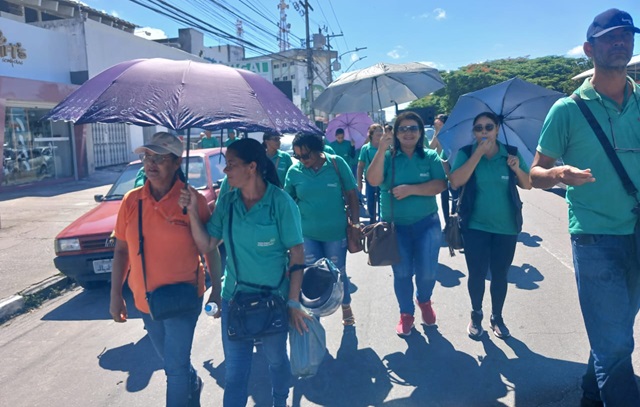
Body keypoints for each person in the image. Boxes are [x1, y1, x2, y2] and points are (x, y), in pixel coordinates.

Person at [530, 9, 640, 406]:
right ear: (589, 49)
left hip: (638, 233)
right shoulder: (568, 110)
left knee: (617, 330)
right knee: (613, 343)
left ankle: (591, 395)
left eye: (627, 35)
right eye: (611, 37)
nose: (621, 42)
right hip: (596, 238)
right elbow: (534, 174)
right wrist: (559, 172)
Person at [179, 138, 308, 407]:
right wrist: (192, 211)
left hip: (273, 300)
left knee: (276, 361)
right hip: (234, 300)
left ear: (252, 167)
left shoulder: (281, 203)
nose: (225, 171)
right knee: (235, 374)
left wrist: (294, 302)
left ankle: (279, 401)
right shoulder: (227, 203)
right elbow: (208, 244)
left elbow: (297, 255)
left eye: (231, 165)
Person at [109, 132, 216, 407]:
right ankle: (192, 381)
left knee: (174, 369)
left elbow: (210, 247)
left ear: (176, 161)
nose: (150, 163)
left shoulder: (192, 200)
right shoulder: (132, 201)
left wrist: (218, 290)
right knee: (172, 362)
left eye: (159, 158)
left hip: (184, 296)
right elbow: (121, 250)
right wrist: (115, 295)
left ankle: (185, 384)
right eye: (147, 157)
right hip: (146, 302)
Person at [448, 112, 531, 340]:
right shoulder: (466, 153)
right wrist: (478, 154)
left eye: (488, 127)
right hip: (475, 226)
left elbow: (528, 184)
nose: (483, 132)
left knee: (500, 274)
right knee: (476, 273)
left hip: (506, 227)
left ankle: (497, 316)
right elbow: (455, 181)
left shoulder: (511, 153)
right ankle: (476, 314)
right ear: (474, 132)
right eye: (478, 128)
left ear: (497, 129)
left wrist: (517, 169)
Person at [367, 111, 447, 336]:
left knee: (428, 273)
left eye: (413, 128)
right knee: (402, 273)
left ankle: (424, 301)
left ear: (421, 132)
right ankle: (406, 314)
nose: (408, 133)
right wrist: (382, 149)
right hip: (395, 228)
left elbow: (440, 185)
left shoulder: (430, 156)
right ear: (395, 133)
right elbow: (373, 180)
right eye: (403, 128)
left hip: (427, 224)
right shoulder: (387, 156)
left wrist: (412, 190)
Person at [284, 132, 359, 326]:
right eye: (298, 156)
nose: (302, 160)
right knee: (310, 276)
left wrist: (357, 224)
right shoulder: (294, 172)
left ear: (319, 151)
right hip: (307, 235)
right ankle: (314, 314)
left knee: (338, 273)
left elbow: (351, 194)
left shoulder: (336, 164)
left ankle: (346, 306)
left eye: (306, 155)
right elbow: (288, 202)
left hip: (335, 233)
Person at [428, 114, 457, 226]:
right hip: (441, 169)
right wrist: (436, 132)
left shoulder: (451, 134)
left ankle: (454, 218)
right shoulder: (438, 135)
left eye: (439, 123)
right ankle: (447, 223)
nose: (437, 124)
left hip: (452, 166)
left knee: (455, 196)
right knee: (443, 196)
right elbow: (431, 147)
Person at [357, 124, 383, 223]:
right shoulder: (366, 148)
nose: (380, 133)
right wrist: (359, 182)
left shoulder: (386, 147)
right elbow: (360, 166)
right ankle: (372, 222)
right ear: (371, 134)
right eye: (377, 131)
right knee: (370, 201)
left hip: (383, 179)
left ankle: (381, 222)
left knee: (383, 202)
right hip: (370, 180)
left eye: (381, 131)